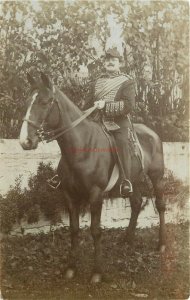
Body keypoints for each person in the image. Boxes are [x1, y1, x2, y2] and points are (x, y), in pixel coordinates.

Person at [87, 47, 136, 197]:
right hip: (98, 121)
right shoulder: (98, 81)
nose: (110, 62)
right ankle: (63, 174)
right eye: (107, 60)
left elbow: (129, 105)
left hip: (118, 122)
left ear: (119, 63)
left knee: (121, 143)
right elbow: (89, 102)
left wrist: (106, 105)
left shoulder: (127, 81)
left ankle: (126, 181)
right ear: (104, 62)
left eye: (113, 60)